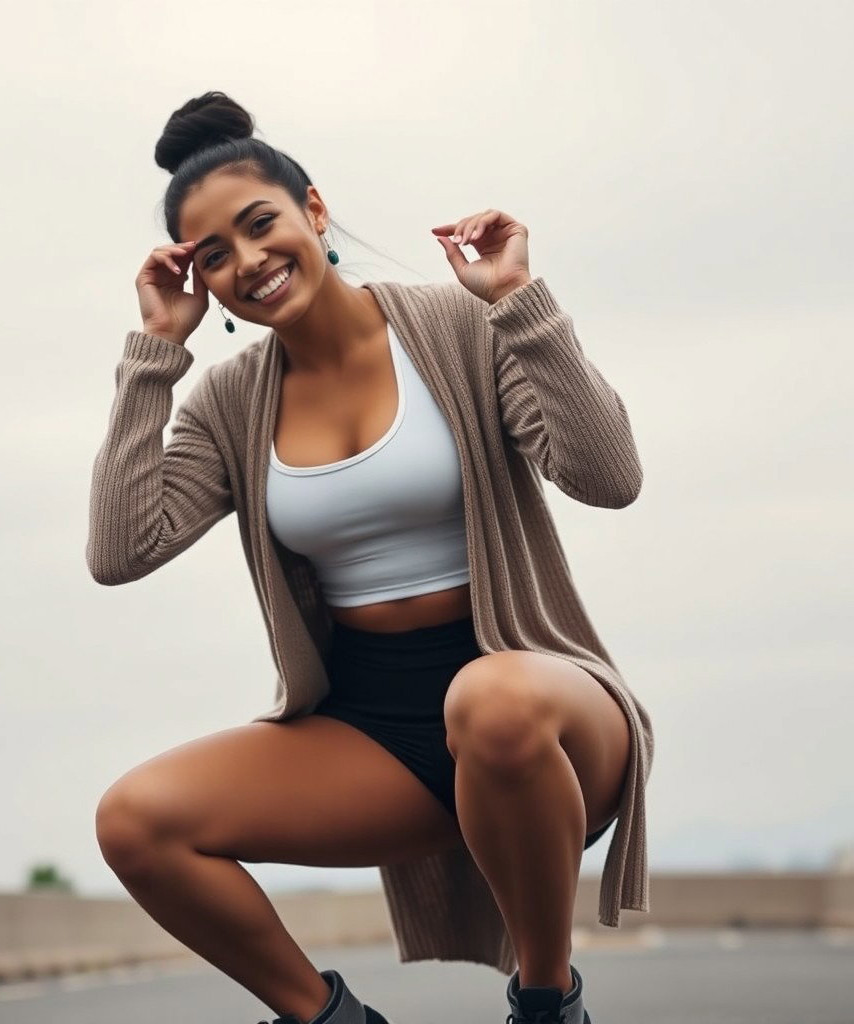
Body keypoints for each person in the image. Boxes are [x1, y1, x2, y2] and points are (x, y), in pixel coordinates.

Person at [87, 90, 652, 1024]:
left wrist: (518, 302)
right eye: (215, 254)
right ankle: (330, 1020)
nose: (249, 262)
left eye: (261, 224)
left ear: (314, 211)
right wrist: (154, 351)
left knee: (492, 698)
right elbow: (120, 547)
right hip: (372, 732)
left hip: (546, 717)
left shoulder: (462, 329)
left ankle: (548, 1003)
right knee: (136, 822)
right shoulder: (231, 404)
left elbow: (607, 475)